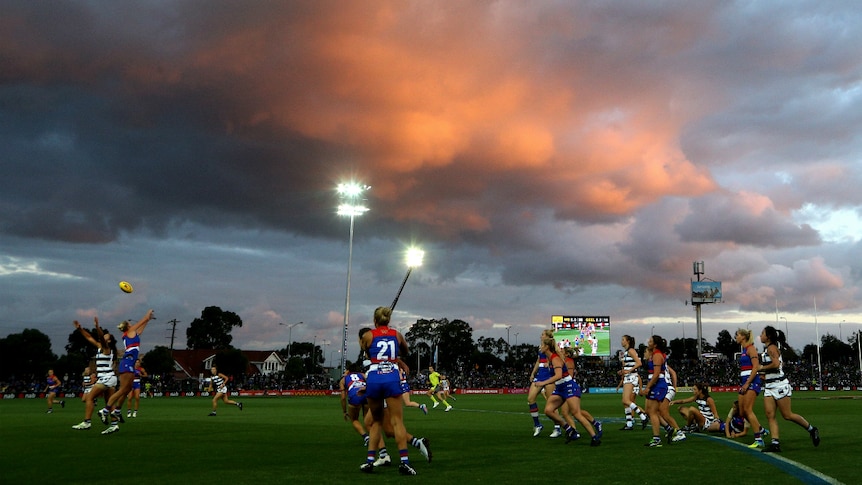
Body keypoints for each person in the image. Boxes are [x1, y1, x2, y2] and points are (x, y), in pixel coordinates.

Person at [359, 306, 417, 475]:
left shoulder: (368, 335)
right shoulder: (397, 335)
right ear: (388, 320)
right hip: (391, 376)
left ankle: (370, 460)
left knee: (376, 421)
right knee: (397, 421)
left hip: (375, 377)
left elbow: (367, 352)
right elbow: (405, 350)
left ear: (375, 320)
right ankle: (404, 462)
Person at [756, 325, 820, 452]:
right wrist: (762, 374)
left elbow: (775, 364)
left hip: (779, 385)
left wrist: (761, 368)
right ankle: (775, 443)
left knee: (787, 415)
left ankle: (812, 429)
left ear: (768, 336)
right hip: (769, 386)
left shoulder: (772, 348)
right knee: (770, 415)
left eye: (762, 333)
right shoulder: (767, 349)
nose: (760, 335)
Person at [533, 336, 601, 446]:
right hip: (560, 388)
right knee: (548, 410)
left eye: (542, 345)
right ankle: (569, 430)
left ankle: (594, 437)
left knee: (576, 413)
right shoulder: (550, 359)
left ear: (546, 347)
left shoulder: (555, 359)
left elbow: (559, 376)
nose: (540, 347)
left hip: (568, 386)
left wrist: (543, 383)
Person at [98, 309, 154, 434]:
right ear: (128, 326)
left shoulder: (131, 334)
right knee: (123, 389)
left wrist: (148, 320)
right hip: (127, 363)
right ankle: (105, 410)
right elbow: (142, 321)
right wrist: (148, 314)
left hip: (129, 363)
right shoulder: (130, 331)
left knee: (127, 389)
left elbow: (141, 328)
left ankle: (116, 411)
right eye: (130, 323)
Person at [72, 318, 118, 430]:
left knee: (89, 398)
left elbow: (101, 337)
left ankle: (87, 422)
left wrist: (97, 327)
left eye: (107, 336)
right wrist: (80, 329)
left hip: (106, 378)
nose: (104, 336)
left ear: (109, 341)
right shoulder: (100, 347)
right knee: (109, 402)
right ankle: (114, 425)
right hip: (109, 378)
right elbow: (88, 337)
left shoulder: (107, 348)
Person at [639, 335, 685, 447]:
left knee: (654, 412)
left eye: (650, 341)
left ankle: (657, 439)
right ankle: (667, 431)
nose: (648, 342)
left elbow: (656, 374)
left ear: (655, 344)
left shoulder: (657, 355)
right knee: (650, 411)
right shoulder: (655, 355)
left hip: (658, 385)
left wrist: (647, 388)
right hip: (656, 384)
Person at [735, 328, 767, 448]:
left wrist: (748, 383)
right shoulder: (744, 350)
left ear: (743, 336)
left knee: (748, 410)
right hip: (744, 381)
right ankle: (761, 430)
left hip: (752, 381)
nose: (736, 337)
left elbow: (755, 367)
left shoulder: (751, 348)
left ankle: (759, 439)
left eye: (737, 335)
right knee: (742, 411)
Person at [527, 328, 557, 436]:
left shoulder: (552, 347)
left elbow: (557, 358)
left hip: (549, 375)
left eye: (543, 334)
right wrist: (533, 373)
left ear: (547, 337)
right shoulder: (540, 347)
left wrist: (549, 363)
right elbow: (539, 360)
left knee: (551, 402)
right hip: (540, 375)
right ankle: (537, 425)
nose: (541, 336)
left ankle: (557, 427)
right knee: (530, 399)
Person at [617, 335, 648, 430]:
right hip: (628, 376)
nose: (621, 341)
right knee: (625, 402)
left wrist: (629, 371)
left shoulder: (631, 351)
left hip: (631, 377)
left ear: (628, 341)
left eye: (623, 340)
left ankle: (643, 416)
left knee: (626, 400)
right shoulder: (627, 352)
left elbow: (639, 363)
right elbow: (630, 365)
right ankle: (629, 424)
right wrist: (623, 371)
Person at [340, 366, 370, 445]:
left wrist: (344, 411)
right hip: (366, 394)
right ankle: (374, 437)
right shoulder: (362, 375)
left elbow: (343, 397)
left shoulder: (343, 380)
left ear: (348, 370)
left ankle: (366, 437)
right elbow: (370, 383)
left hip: (354, 396)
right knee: (367, 419)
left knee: (354, 419)